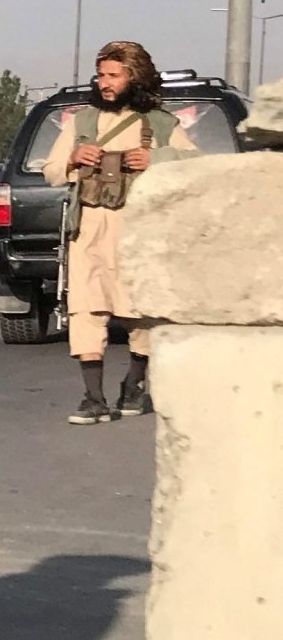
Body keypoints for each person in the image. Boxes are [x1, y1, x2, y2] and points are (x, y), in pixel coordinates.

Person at [40, 39, 194, 425]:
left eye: (113, 75)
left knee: (140, 311)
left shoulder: (160, 124)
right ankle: (93, 398)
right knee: (85, 309)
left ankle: (133, 384)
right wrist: (75, 158)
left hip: (140, 232)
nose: (104, 82)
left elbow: (197, 164)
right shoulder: (83, 121)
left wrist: (158, 158)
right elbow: (52, 169)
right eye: (101, 75)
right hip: (90, 228)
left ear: (134, 76)